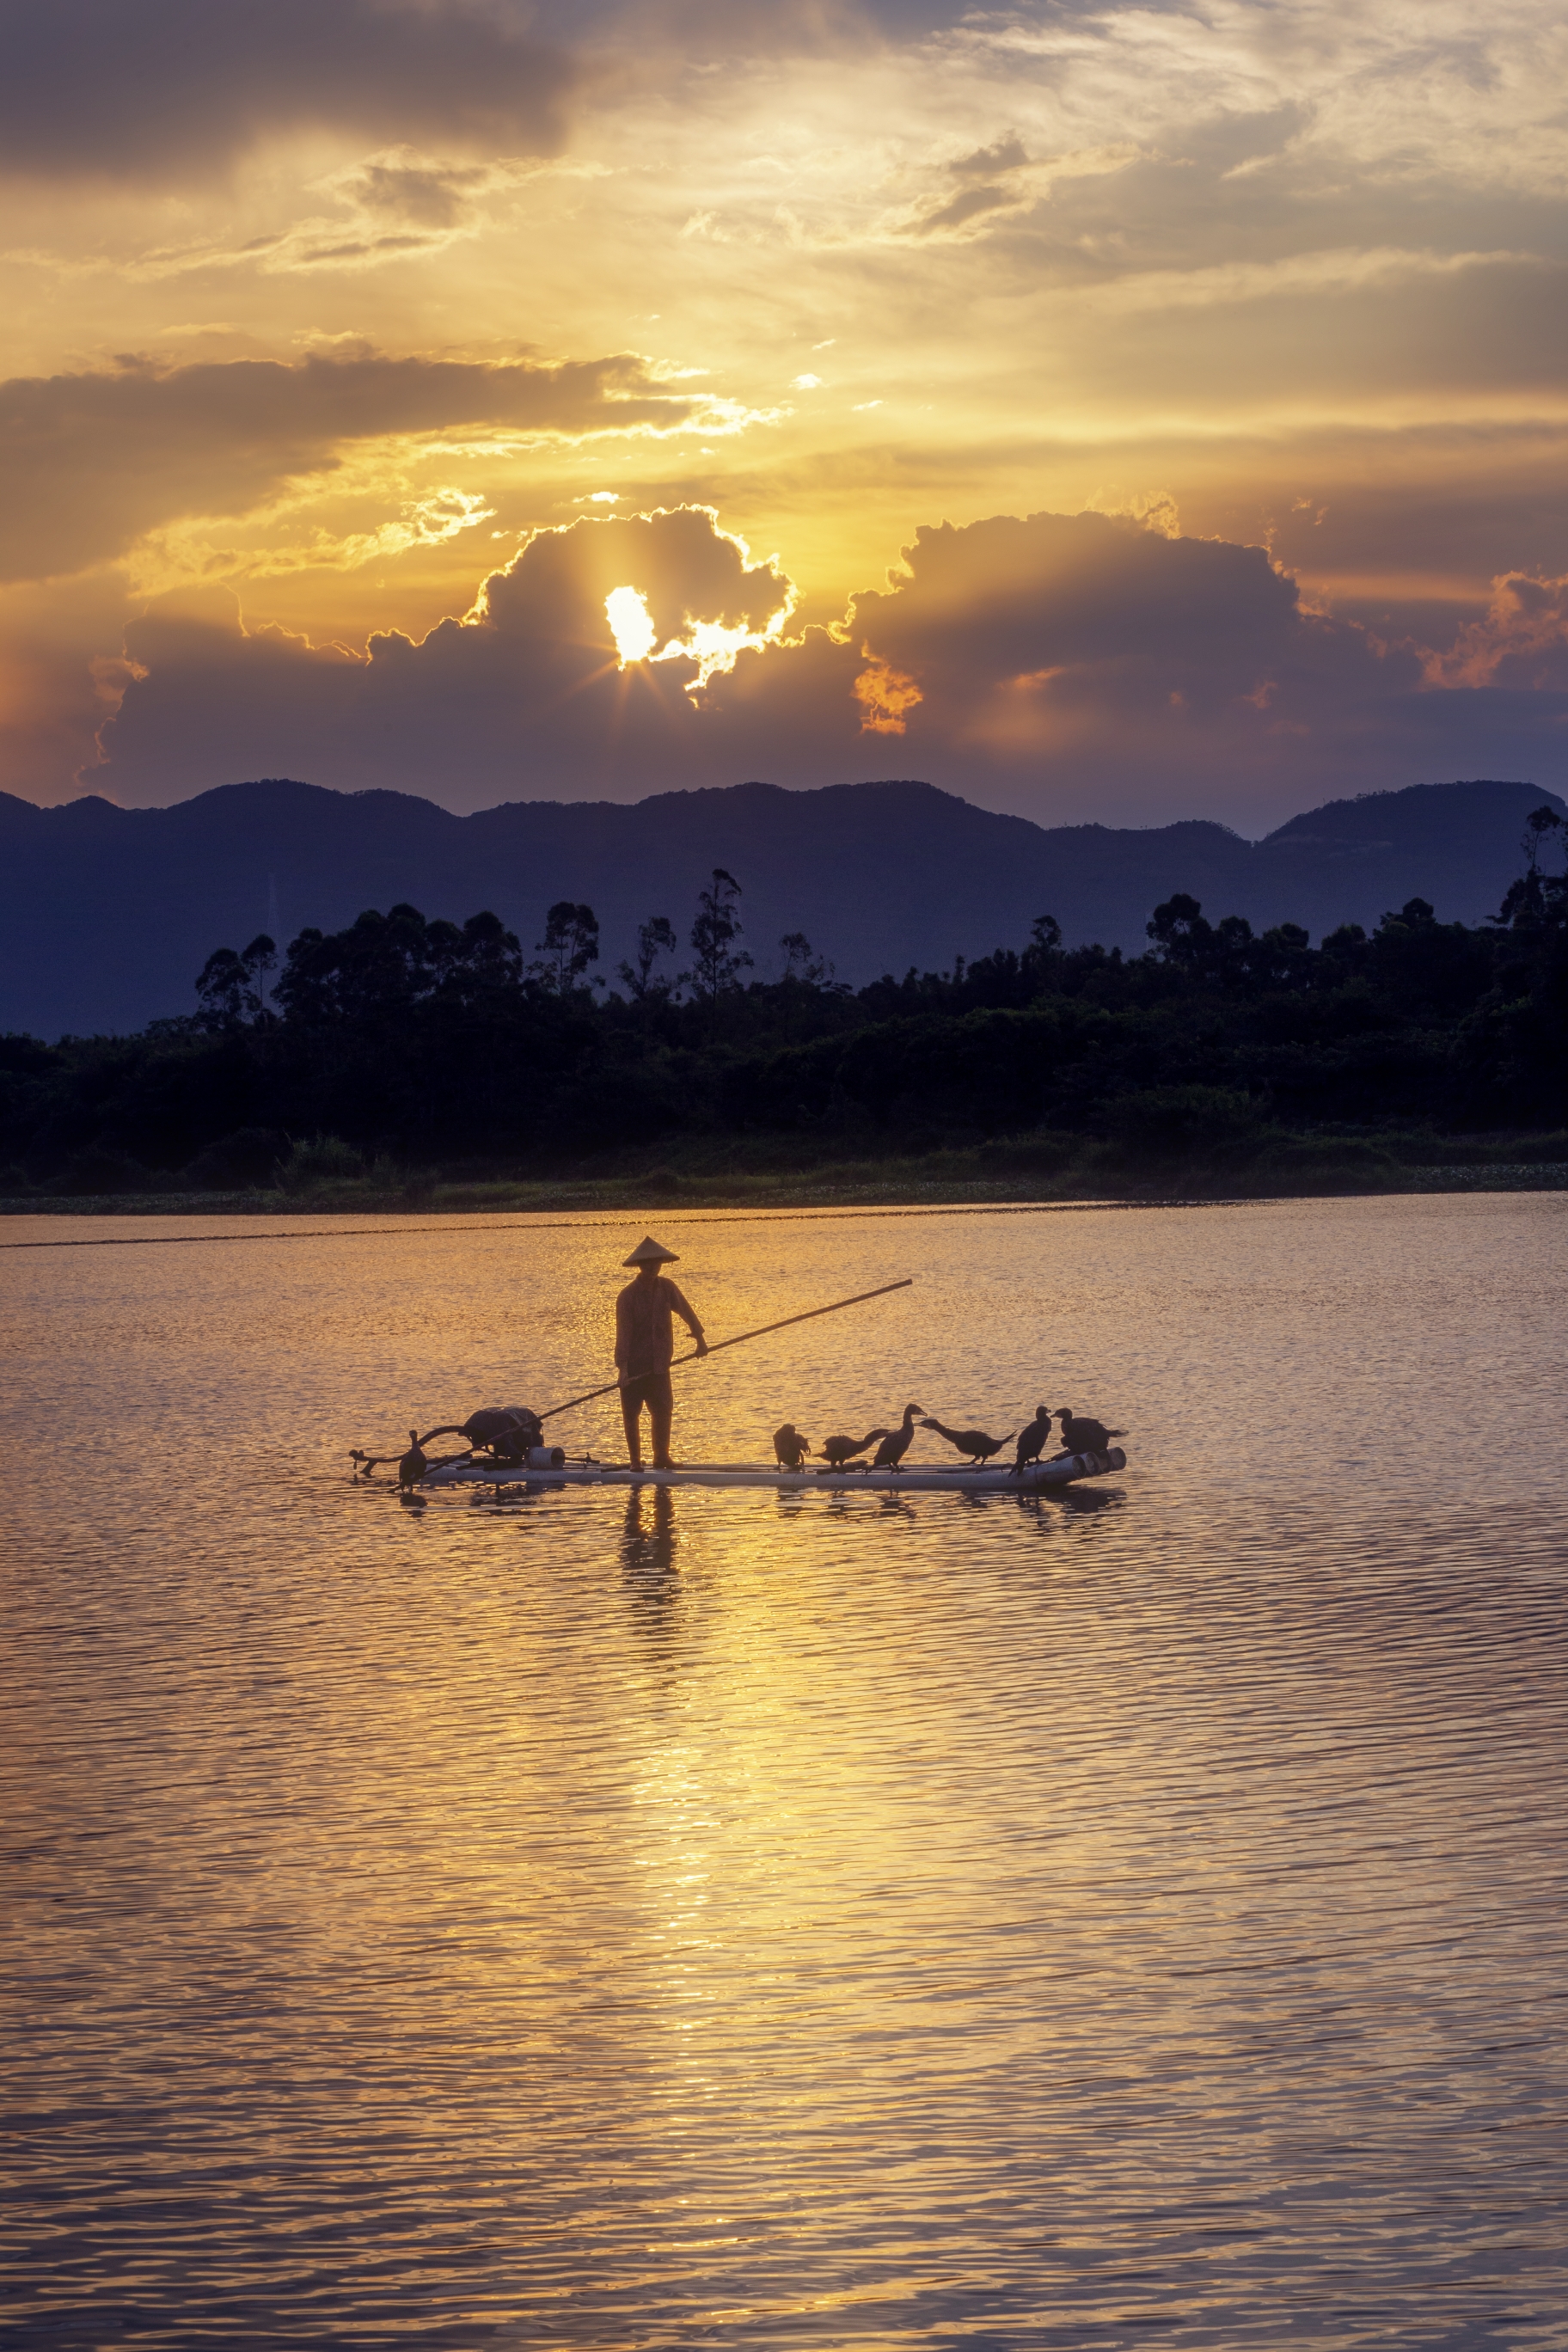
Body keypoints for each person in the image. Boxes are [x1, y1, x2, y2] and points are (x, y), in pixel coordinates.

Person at [615, 1236, 707, 1468]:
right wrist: (623, 1370)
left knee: (663, 1409)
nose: (653, 1268)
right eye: (648, 1264)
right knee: (632, 1414)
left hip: (660, 1365)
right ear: (640, 1266)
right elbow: (623, 1335)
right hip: (635, 1367)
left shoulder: (667, 1287)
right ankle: (635, 1460)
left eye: (656, 1264)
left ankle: (661, 1456)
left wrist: (700, 1339)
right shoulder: (627, 1297)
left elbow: (686, 1311)